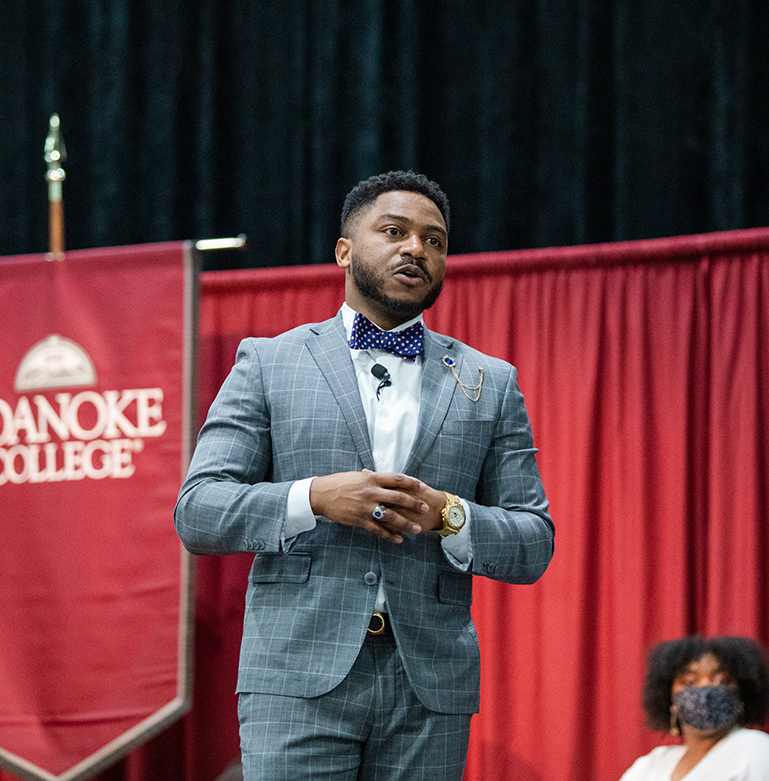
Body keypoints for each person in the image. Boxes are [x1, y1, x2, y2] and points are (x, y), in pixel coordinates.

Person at [174, 170, 555, 779]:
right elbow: (199, 512)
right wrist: (316, 498)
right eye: (395, 231)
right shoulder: (268, 363)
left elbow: (533, 543)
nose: (416, 249)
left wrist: (448, 515)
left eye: (435, 240)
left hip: (429, 684)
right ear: (345, 251)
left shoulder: (490, 382)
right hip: (296, 677)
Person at [618, 635, 769, 781]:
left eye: (721, 680)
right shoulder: (652, 764)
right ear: (669, 699)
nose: (705, 689)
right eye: (689, 681)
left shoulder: (757, 752)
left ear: (742, 695)